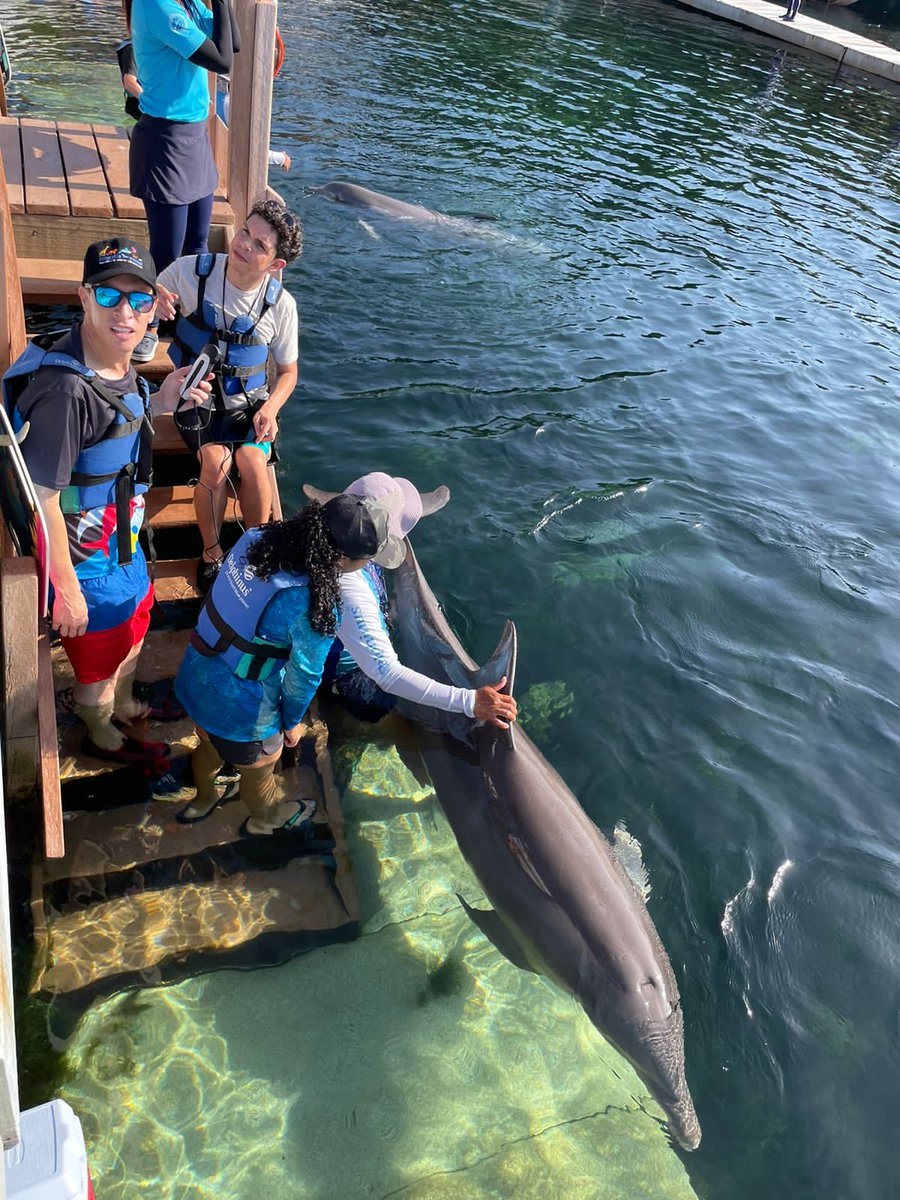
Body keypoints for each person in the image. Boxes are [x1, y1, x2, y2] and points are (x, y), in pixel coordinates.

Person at [175, 485, 516, 833]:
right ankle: (265, 819)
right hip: (241, 710)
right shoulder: (314, 607)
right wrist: (290, 722)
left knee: (208, 745)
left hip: (197, 670)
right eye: (367, 560)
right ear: (344, 560)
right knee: (260, 767)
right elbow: (305, 677)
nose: (369, 566)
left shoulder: (257, 538)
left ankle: (203, 799)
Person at [1, 239, 212, 762]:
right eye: (109, 296)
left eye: (140, 301)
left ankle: (127, 703)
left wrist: (163, 402)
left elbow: (115, 430)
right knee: (94, 670)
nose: (126, 313)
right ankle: (99, 729)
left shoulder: (115, 363)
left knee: (134, 632)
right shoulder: (64, 393)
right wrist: (66, 593)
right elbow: (43, 499)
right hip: (86, 567)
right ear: (84, 297)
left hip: (125, 545)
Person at [155, 199, 303, 593]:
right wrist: (153, 299)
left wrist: (271, 409)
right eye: (245, 233)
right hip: (195, 398)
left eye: (259, 245)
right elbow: (143, 307)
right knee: (215, 463)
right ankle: (212, 553)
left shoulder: (281, 306)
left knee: (254, 462)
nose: (244, 246)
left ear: (276, 265)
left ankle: (257, 553)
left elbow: (288, 373)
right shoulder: (190, 271)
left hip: (250, 405)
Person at [305, 473, 514, 726]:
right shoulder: (349, 588)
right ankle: (328, 705)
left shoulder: (328, 538)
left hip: (343, 628)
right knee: (379, 709)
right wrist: (469, 702)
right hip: (344, 668)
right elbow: (387, 674)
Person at [125, 0, 240, 362]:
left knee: (198, 243)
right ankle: (151, 326)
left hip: (195, 134)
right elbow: (222, 62)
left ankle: (191, 320)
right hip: (165, 138)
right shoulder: (156, 5)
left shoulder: (186, 2)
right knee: (167, 250)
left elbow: (231, 43)